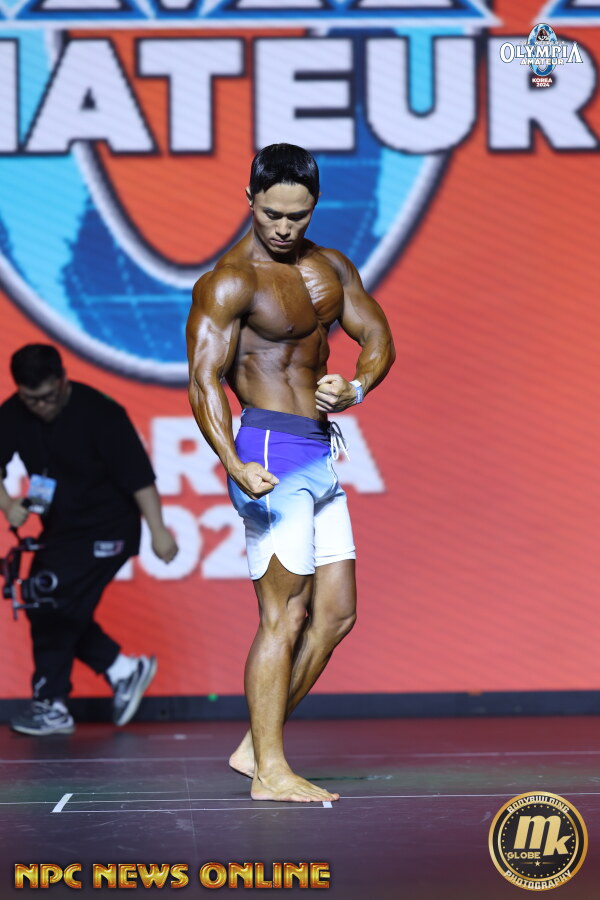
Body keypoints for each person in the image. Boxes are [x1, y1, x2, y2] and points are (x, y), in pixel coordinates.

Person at [187, 143, 395, 802]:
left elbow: (378, 336)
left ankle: (257, 744)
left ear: (314, 206)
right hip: (269, 455)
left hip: (320, 450)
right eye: (271, 213)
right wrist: (233, 463)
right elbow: (203, 381)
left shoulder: (330, 267)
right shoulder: (229, 281)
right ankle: (270, 772)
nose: (282, 227)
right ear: (250, 200)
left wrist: (355, 387)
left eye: (296, 216)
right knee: (285, 614)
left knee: (335, 615)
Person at [0, 344, 178, 736]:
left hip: (109, 526)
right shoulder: (12, 413)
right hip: (62, 528)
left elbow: (140, 478)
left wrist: (159, 530)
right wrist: (8, 503)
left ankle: (51, 703)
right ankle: (122, 670)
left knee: (51, 595)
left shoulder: (101, 413)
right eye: (31, 399)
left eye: (48, 397)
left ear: (62, 380)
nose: (41, 406)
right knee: (41, 599)